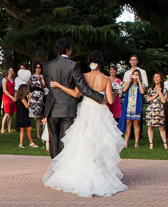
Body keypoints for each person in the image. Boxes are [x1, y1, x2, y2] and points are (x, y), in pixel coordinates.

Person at [43, 51, 127, 198]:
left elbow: (76, 94)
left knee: (82, 141)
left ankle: (79, 172)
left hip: (86, 110)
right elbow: (110, 101)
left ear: (89, 62)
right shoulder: (106, 79)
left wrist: (59, 86)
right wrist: (113, 93)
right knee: (100, 142)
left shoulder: (84, 77)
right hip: (99, 112)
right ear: (101, 63)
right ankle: (100, 173)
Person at [43, 38, 105, 159]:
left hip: (52, 108)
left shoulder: (47, 65)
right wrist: (100, 97)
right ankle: (64, 169)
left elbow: (48, 85)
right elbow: (83, 88)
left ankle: (56, 168)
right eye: (70, 49)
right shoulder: (73, 65)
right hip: (68, 107)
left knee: (54, 139)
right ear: (67, 50)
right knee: (66, 139)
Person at [119, 69, 145, 147]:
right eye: (134, 74)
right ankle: (126, 142)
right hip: (129, 106)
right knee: (128, 123)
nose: (135, 76)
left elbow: (142, 92)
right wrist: (129, 81)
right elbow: (124, 90)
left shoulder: (141, 84)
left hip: (136, 106)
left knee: (136, 123)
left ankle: (136, 142)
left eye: (137, 75)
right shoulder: (129, 83)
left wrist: (139, 81)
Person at [145, 72, 168, 149]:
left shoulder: (165, 90)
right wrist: (155, 95)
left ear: (161, 79)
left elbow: (164, 101)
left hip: (159, 109)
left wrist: (159, 92)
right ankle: (151, 143)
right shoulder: (150, 90)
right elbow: (148, 99)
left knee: (161, 127)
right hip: (151, 109)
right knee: (150, 126)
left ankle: (165, 143)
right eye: (154, 77)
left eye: (157, 77)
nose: (156, 79)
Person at [28, 62, 47, 138]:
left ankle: (38, 133)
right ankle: (29, 131)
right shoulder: (31, 76)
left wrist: (40, 81)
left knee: (38, 115)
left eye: (39, 67)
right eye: (37, 67)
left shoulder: (42, 76)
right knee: (30, 114)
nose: (38, 69)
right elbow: (29, 85)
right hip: (32, 95)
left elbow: (43, 86)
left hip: (39, 95)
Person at [16, 83, 37, 148]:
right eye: (27, 89)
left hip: (22, 115)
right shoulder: (22, 99)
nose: (28, 90)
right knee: (29, 128)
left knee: (23, 129)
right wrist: (29, 98)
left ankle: (21, 143)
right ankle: (31, 142)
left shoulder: (20, 98)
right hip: (23, 116)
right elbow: (27, 106)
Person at [1, 67, 17, 133]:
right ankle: (2, 128)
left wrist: (15, 97)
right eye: (10, 70)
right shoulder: (5, 79)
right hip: (7, 97)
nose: (11, 72)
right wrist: (11, 97)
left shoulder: (13, 80)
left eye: (12, 70)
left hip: (13, 96)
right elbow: (4, 90)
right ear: (8, 71)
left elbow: (14, 90)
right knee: (6, 113)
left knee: (11, 114)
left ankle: (9, 128)